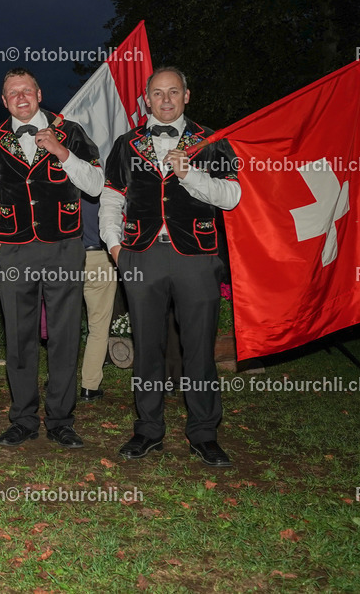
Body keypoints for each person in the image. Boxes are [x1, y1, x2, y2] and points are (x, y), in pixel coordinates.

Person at [99, 67, 241, 467]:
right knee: (146, 349)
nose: (165, 100)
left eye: (173, 92)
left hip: (196, 256)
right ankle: (148, 430)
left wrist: (189, 173)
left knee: (199, 348)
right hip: (141, 255)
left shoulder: (211, 142)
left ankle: (203, 433)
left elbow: (231, 195)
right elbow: (111, 198)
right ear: (146, 100)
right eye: (157, 93)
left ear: (186, 96)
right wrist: (115, 249)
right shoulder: (126, 144)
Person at [0, 68, 103, 448]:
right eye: (13, 93)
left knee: (64, 334)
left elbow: (95, 184)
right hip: (15, 250)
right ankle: (24, 418)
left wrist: (62, 154)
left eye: (26, 90)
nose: (21, 98)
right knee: (19, 335)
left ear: (39, 93)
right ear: (4, 101)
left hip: (64, 245)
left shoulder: (71, 131)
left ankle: (61, 419)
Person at [78, 195, 117, 401]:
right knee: (99, 325)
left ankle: (57, 378)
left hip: (66, 259)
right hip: (99, 257)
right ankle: (89, 386)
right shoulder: (104, 184)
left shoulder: (59, 180)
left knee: (63, 324)